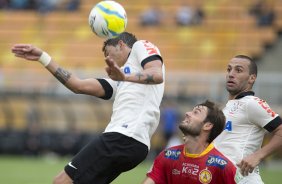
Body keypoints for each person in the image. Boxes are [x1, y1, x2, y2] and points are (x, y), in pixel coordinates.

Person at [11, 32, 165, 184]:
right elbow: (77, 85)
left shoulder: (140, 46)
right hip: (132, 144)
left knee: (62, 181)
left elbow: (157, 74)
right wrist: (42, 57)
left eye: (108, 54)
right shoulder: (120, 81)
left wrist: (124, 77)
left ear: (121, 44)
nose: (108, 60)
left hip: (124, 136)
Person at [214, 55, 282, 183]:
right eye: (229, 69)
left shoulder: (251, 103)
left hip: (244, 179)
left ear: (252, 78)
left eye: (238, 70)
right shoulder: (227, 108)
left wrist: (258, 155)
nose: (231, 74)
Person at [143, 100, 242, 184]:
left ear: (207, 125)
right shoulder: (167, 155)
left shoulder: (224, 167)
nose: (187, 113)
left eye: (196, 112)